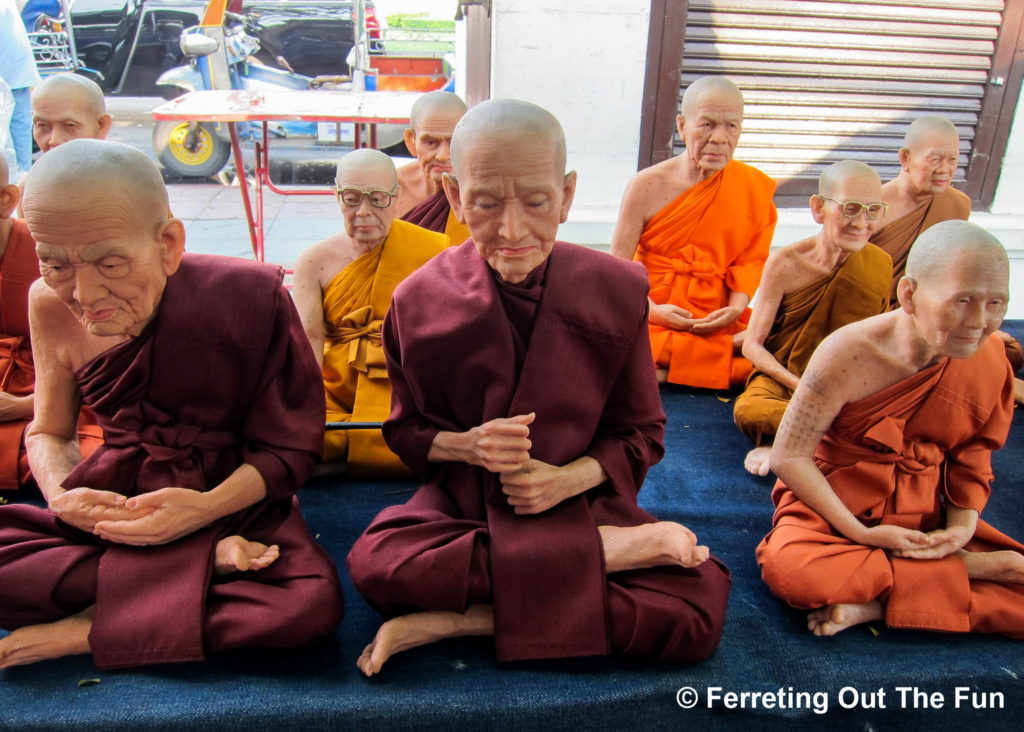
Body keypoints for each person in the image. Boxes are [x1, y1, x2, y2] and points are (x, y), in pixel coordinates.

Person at [346, 99, 731, 677]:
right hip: (465, 511)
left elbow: (642, 432)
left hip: (582, 506)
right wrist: (466, 446)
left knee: (695, 610)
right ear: (453, 198)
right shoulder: (419, 301)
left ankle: (467, 619)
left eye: (536, 201)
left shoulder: (615, 287)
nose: (513, 230)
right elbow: (405, 432)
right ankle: (599, 563)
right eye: (484, 203)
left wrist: (567, 478)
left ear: (568, 195)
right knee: (377, 562)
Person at [0, 139, 343, 669]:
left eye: (110, 264)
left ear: (168, 243)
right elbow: (48, 431)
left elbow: (289, 448)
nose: (84, 293)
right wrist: (63, 498)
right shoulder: (48, 304)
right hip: (119, 505)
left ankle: (97, 627)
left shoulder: (249, 296)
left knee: (308, 605)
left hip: (230, 503)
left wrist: (203, 510)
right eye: (55, 263)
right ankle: (203, 571)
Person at [757, 219, 1024, 638]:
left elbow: (973, 454)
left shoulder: (989, 358)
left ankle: (878, 606)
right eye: (963, 300)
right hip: (838, 505)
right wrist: (861, 532)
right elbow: (788, 456)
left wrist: (960, 528)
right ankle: (966, 573)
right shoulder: (847, 353)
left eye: (996, 304)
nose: (979, 322)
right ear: (909, 294)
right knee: (793, 572)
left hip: (925, 515)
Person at [610, 76, 776, 389]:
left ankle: (664, 372)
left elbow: (749, 263)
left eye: (732, 127)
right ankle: (721, 356)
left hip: (715, 312)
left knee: (781, 339)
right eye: (707, 124)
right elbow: (616, 269)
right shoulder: (646, 185)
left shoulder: (754, 188)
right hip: (651, 307)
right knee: (608, 338)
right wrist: (654, 312)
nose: (719, 138)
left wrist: (735, 309)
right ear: (682, 126)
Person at [293, 148, 448, 475]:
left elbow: (448, 336)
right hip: (337, 395)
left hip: (404, 387)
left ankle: (348, 456)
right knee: (295, 438)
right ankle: (362, 450)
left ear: (396, 197)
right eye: (351, 199)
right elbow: (306, 345)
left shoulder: (433, 251)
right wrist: (299, 410)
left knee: (438, 432)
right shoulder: (313, 261)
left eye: (377, 199)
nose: (363, 212)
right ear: (336, 197)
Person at [734, 161, 892, 476]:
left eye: (873, 210)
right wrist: (801, 386)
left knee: (887, 416)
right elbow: (752, 345)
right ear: (819, 208)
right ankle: (823, 440)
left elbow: (879, 341)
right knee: (750, 410)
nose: (862, 222)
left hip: (846, 384)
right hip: (784, 379)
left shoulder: (880, 263)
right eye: (850, 209)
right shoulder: (785, 263)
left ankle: (791, 438)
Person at [0, 153, 102, 492]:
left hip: (57, 400)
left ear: (6, 200)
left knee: (99, 467)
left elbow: (100, 370)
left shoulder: (55, 259)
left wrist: (21, 406)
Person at [396, 90, 470, 245]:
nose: (442, 156)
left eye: (452, 142)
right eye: (430, 143)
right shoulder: (389, 190)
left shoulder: (481, 192)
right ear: (411, 141)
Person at [0, 0, 41, 177]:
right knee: (19, 126)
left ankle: (20, 180)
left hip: (11, 69)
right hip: (17, 68)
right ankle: (22, 179)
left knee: (14, 129)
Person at [30, 73, 112, 153]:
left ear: (101, 126)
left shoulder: (119, 166)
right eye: (42, 125)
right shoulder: (41, 166)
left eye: (70, 125)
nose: (54, 141)